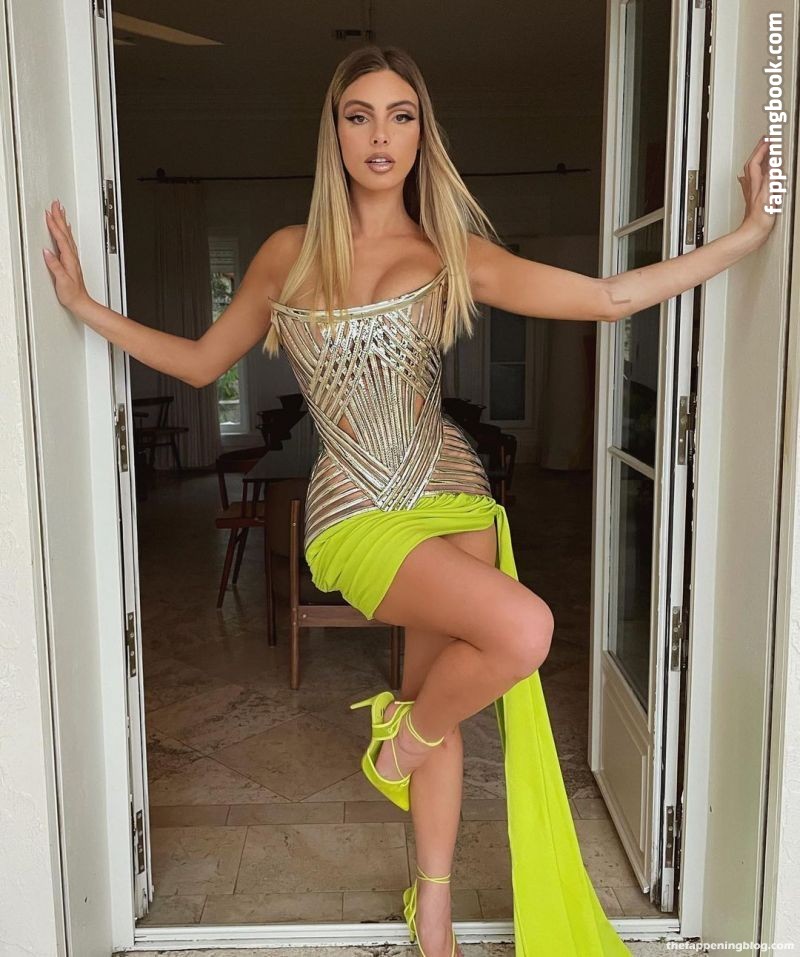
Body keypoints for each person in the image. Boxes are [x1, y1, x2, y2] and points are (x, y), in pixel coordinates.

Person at [44, 43, 775, 957]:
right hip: (353, 513)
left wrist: (746, 237)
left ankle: (431, 910)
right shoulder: (286, 255)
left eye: (400, 116)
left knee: (443, 694)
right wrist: (84, 305)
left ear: (423, 133)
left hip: (455, 496)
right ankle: (397, 739)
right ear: (335, 133)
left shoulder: (449, 252)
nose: (380, 136)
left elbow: (610, 296)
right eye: (360, 116)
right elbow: (199, 363)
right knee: (524, 631)